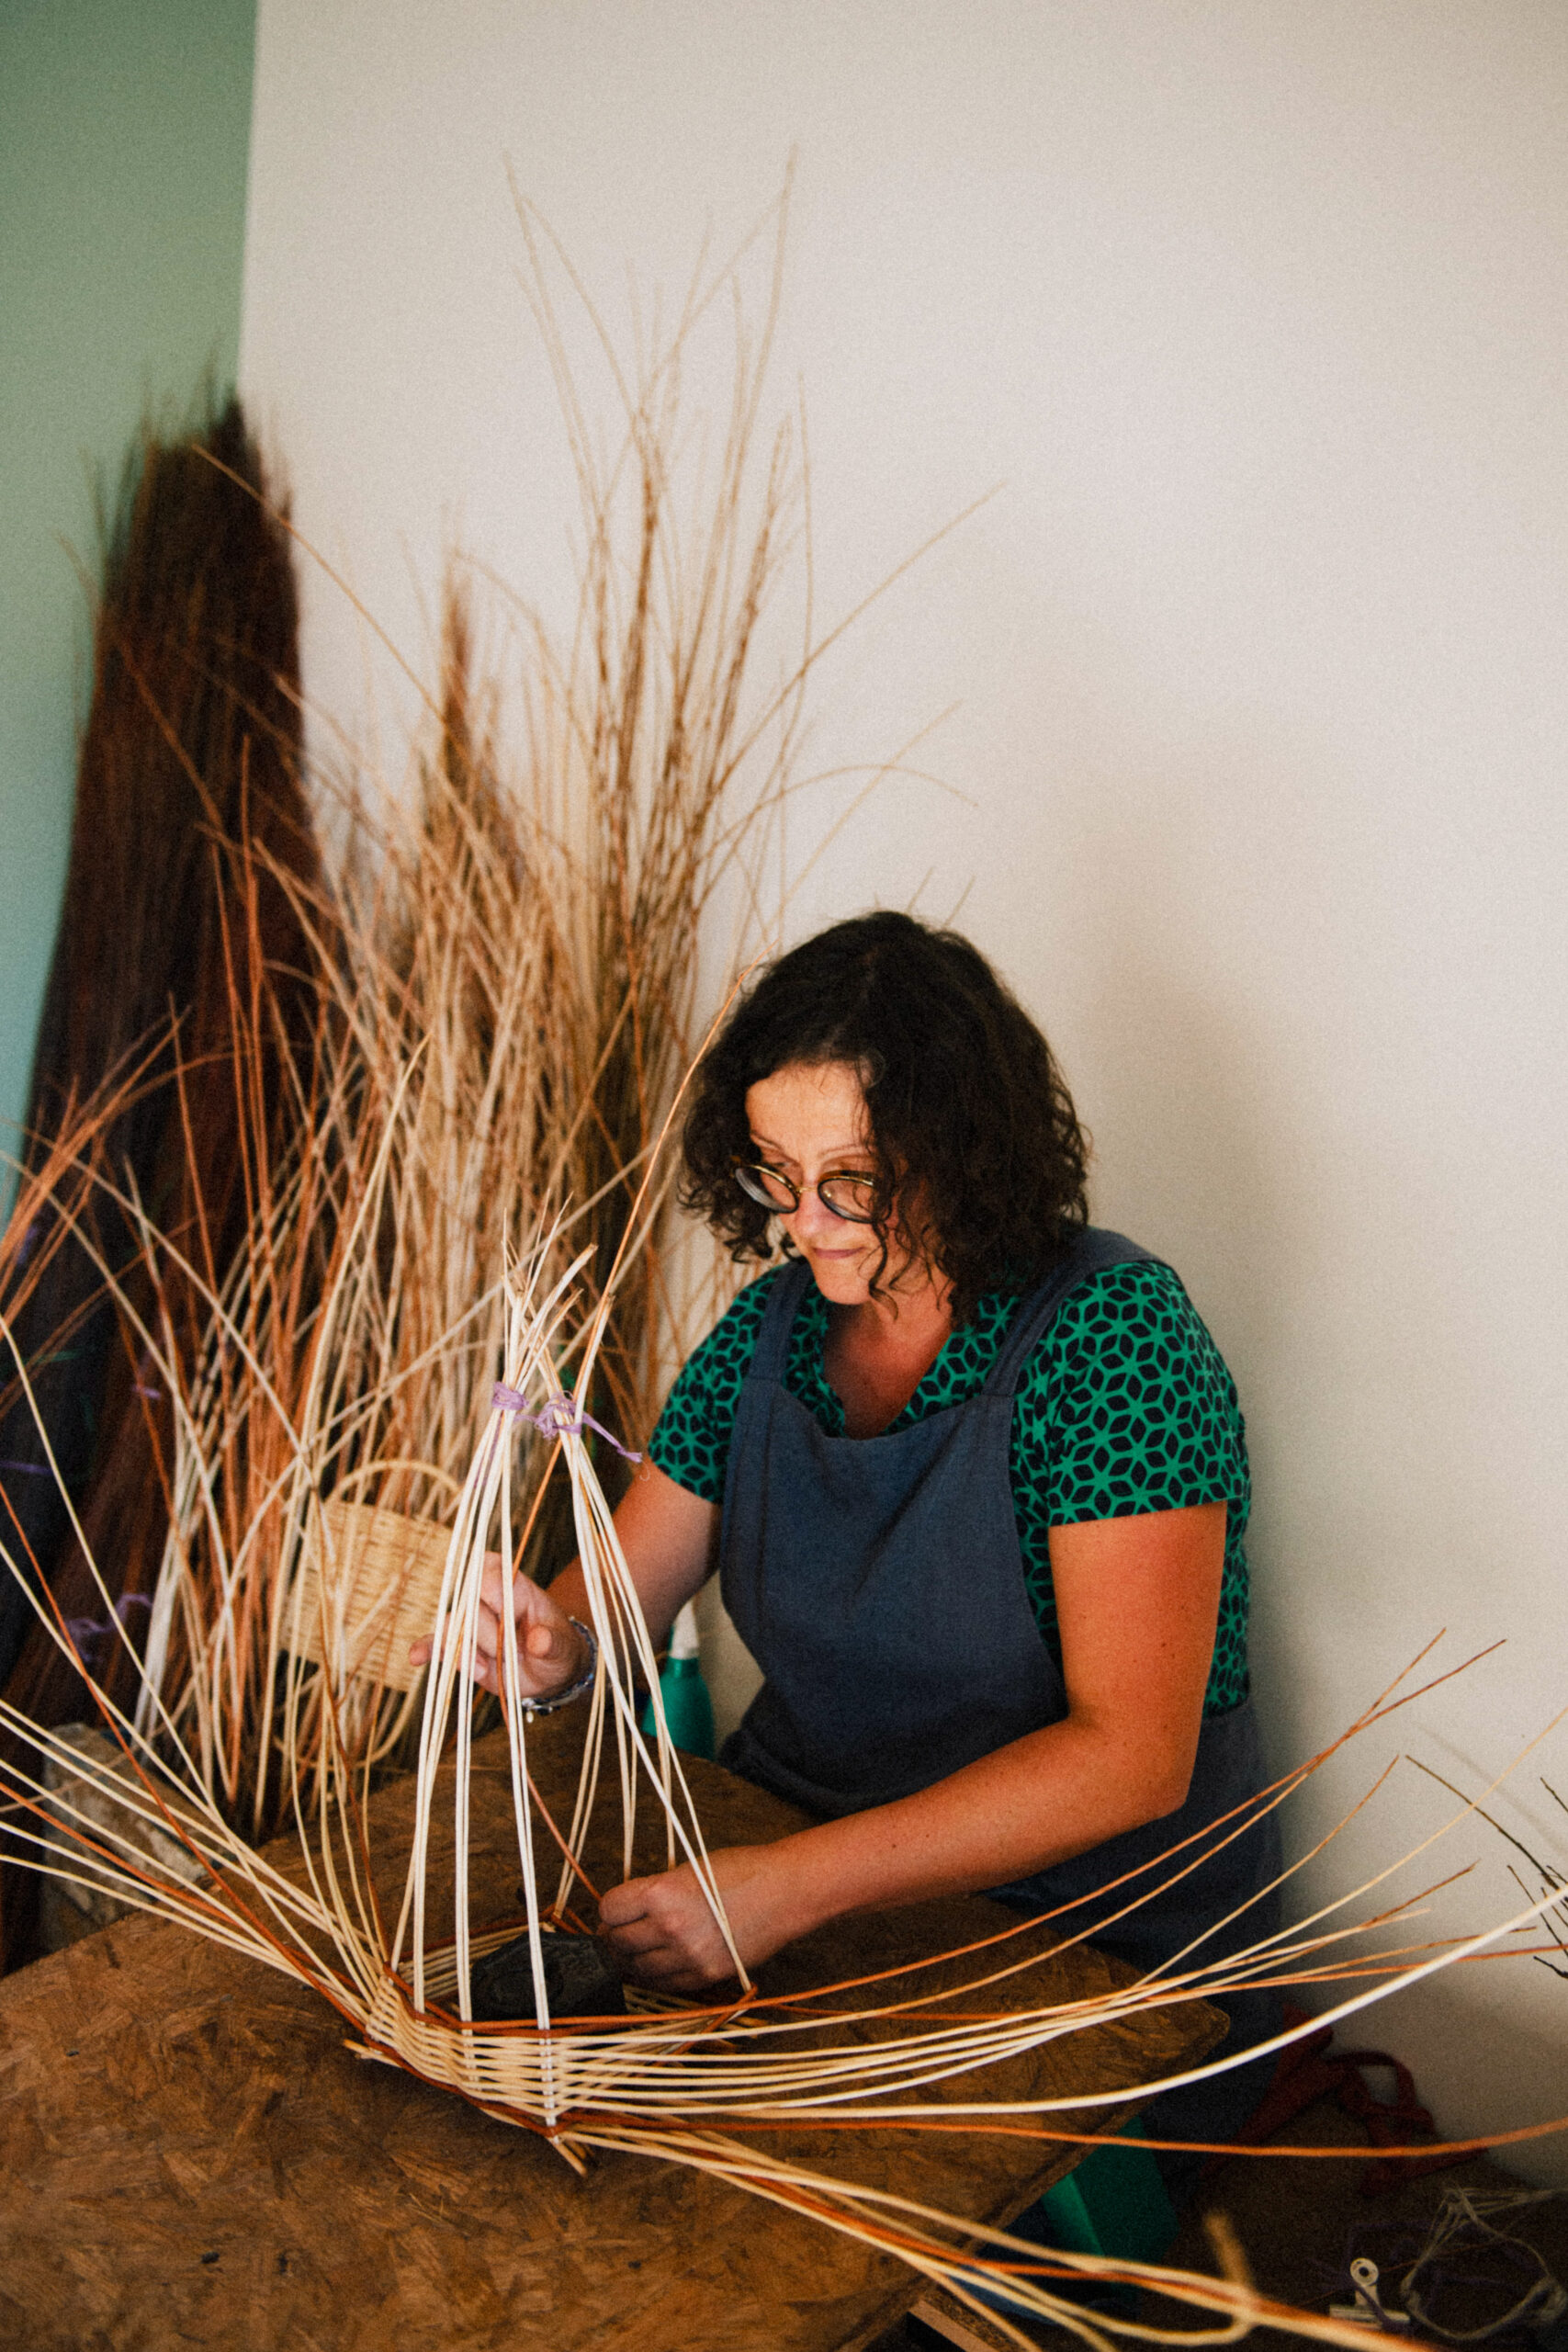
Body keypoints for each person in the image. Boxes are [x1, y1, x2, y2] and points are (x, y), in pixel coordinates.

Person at [417, 910, 1280, 2183]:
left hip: (1083, 1935)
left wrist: (788, 1887)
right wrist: (552, 1651)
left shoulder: (1113, 1342)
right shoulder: (766, 1334)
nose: (806, 1222)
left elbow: (1131, 1763)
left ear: (964, 1149)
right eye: (775, 1174)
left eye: (854, 1182)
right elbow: (607, 1603)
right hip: (795, 1873)